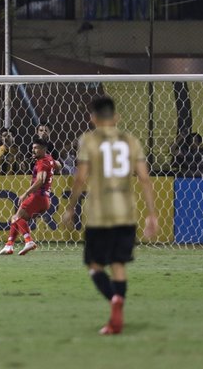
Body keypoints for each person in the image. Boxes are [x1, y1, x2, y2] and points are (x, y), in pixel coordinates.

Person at [61, 96, 158, 335]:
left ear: (92, 118)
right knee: (118, 264)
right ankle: (118, 314)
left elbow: (80, 177)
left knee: (94, 266)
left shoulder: (88, 140)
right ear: (116, 117)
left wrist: (71, 206)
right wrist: (152, 214)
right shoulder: (131, 141)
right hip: (126, 212)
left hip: (98, 213)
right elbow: (145, 179)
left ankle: (114, 300)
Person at [0, 137, 59, 256]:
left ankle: (29, 241)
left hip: (37, 197)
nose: (33, 150)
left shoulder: (42, 162)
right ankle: (9, 245)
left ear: (43, 149)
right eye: (32, 148)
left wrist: (25, 194)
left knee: (16, 218)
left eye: (36, 148)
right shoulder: (48, 159)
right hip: (45, 199)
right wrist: (51, 165)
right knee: (17, 219)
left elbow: (40, 180)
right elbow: (59, 165)